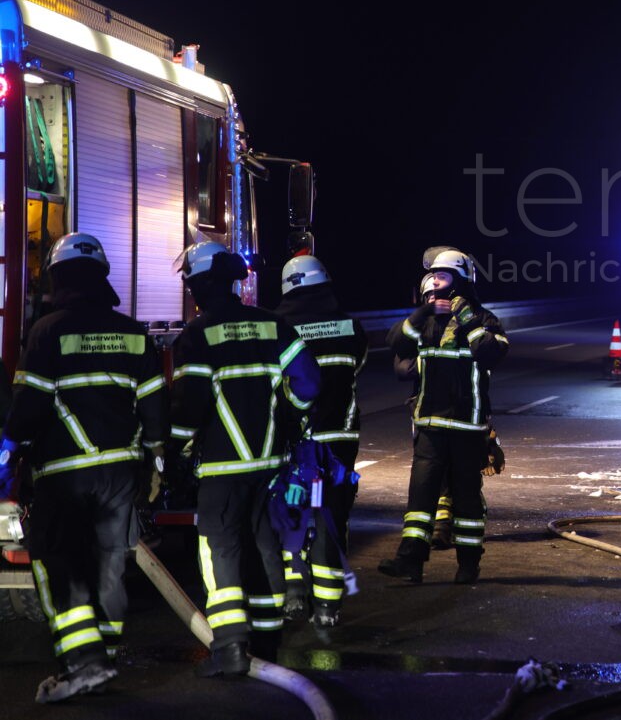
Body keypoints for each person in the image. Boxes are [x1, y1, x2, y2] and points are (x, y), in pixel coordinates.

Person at [0, 234, 165, 701]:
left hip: (65, 471)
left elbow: (29, 406)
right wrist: (155, 458)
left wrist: (10, 450)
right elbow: (154, 406)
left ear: (57, 277)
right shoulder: (134, 333)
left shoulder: (48, 332)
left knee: (58, 560)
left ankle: (82, 661)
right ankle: (104, 658)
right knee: (110, 561)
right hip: (120, 472)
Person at [169, 241, 321, 677]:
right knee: (265, 549)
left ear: (199, 285)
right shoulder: (273, 325)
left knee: (221, 551)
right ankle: (267, 646)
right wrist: (290, 414)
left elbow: (190, 407)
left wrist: (174, 455)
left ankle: (232, 649)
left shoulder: (197, 335)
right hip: (269, 466)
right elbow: (309, 382)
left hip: (220, 470)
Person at [379, 247, 508, 585]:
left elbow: (491, 355)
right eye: (433, 275)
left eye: (442, 274)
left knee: (466, 499)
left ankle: (468, 565)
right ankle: (410, 562)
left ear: (460, 279)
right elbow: (395, 343)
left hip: (467, 426)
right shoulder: (427, 320)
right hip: (429, 425)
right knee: (420, 498)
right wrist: (422, 312)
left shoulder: (484, 319)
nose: (434, 280)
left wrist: (466, 319)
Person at [272, 254, 369, 628]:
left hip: (293, 441)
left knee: (290, 512)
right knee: (332, 516)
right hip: (339, 440)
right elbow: (356, 366)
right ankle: (328, 608)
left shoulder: (278, 326)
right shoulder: (350, 327)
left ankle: (294, 596)